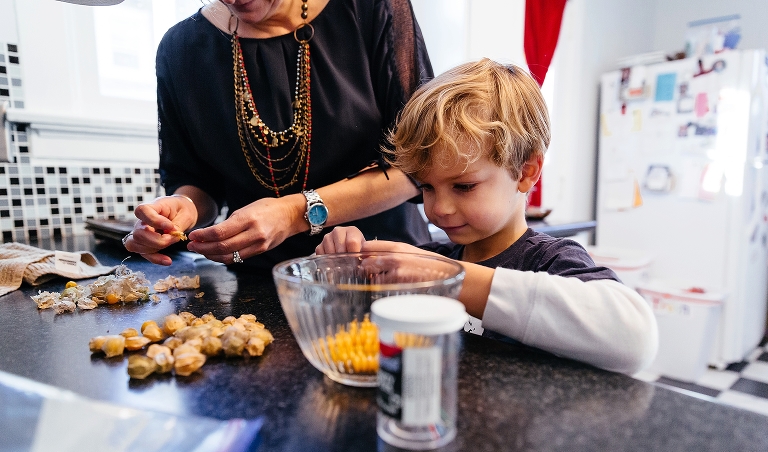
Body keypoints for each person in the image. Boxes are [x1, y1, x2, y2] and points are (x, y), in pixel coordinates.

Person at [316, 59, 658, 375]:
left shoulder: (549, 261)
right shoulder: (433, 259)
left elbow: (636, 339)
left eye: (464, 186)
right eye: (427, 188)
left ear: (526, 171)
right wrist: (347, 267)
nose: (438, 209)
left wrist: (447, 277)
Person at [122, 0, 432, 270]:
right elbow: (198, 183)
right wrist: (184, 208)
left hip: (383, 263)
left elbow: (418, 164)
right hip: (260, 279)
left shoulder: (371, 7)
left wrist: (294, 214)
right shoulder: (181, 48)